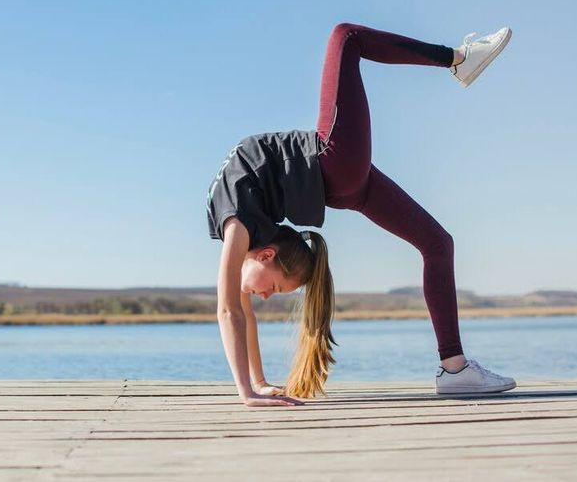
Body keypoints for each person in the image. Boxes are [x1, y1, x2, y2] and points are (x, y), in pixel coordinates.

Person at [206, 22, 516, 407]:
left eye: (274, 289)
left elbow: (229, 310)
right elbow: (240, 312)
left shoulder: (236, 225)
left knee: (345, 37)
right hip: (339, 181)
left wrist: (247, 392)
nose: (265, 297)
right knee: (437, 243)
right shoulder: (249, 235)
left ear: (267, 256)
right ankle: (455, 371)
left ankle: (460, 59)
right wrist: (257, 384)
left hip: (332, 162)